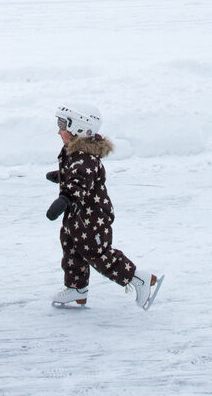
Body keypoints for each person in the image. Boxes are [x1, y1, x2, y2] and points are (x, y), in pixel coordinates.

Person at [47, 104, 162, 311]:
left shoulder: (85, 158)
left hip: (92, 217)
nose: (59, 130)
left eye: (62, 125)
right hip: (78, 215)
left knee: (97, 253)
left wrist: (63, 199)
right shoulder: (74, 151)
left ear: (79, 128)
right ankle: (76, 288)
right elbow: (77, 175)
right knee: (71, 248)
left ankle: (138, 279)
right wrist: (61, 176)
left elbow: (80, 181)